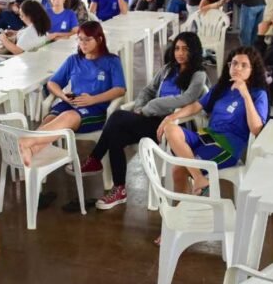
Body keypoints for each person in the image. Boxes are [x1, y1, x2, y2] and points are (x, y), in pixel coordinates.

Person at [77, 32, 208, 210]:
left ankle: (95, 159)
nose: (180, 53)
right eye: (177, 48)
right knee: (116, 136)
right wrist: (140, 107)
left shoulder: (198, 75)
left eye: (185, 49)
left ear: (194, 51)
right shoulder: (169, 69)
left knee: (116, 117)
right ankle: (119, 189)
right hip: (149, 119)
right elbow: (148, 89)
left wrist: (150, 107)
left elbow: (185, 99)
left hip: (170, 126)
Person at [159, 46, 269, 196]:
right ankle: (198, 182)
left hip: (228, 145)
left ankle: (187, 201)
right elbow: (196, 106)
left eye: (244, 65)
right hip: (206, 135)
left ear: (253, 70)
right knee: (171, 128)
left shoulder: (258, 94)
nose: (237, 68)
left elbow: (256, 129)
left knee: (179, 169)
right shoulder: (222, 88)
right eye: (234, 63)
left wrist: (245, 94)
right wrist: (170, 117)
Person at [18, 21, 126, 165]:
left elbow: (120, 89)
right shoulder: (73, 60)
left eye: (88, 39)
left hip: (95, 109)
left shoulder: (112, 61)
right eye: (80, 39)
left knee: (67, 117)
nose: (83, 43)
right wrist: (64, 96)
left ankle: (26, 141)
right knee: (49, 121)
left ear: (99, 39)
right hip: (71, 103)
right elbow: (52, 83)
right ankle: (30, 152)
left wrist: (93, 99)